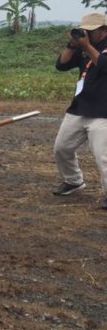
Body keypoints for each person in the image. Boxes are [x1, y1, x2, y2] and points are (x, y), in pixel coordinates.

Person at [52, 12, 107, 209]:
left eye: (90, 31)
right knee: (61, 147)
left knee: (103, 156)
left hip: (103, 111)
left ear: (103, 30)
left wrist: (87, 46)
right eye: (85, 30)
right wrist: (72, 45)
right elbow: (61, 65)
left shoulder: (95, 47)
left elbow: (104, 65)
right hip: (80, 107)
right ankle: (74, 180)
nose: (87, 34)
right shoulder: (83, 46)